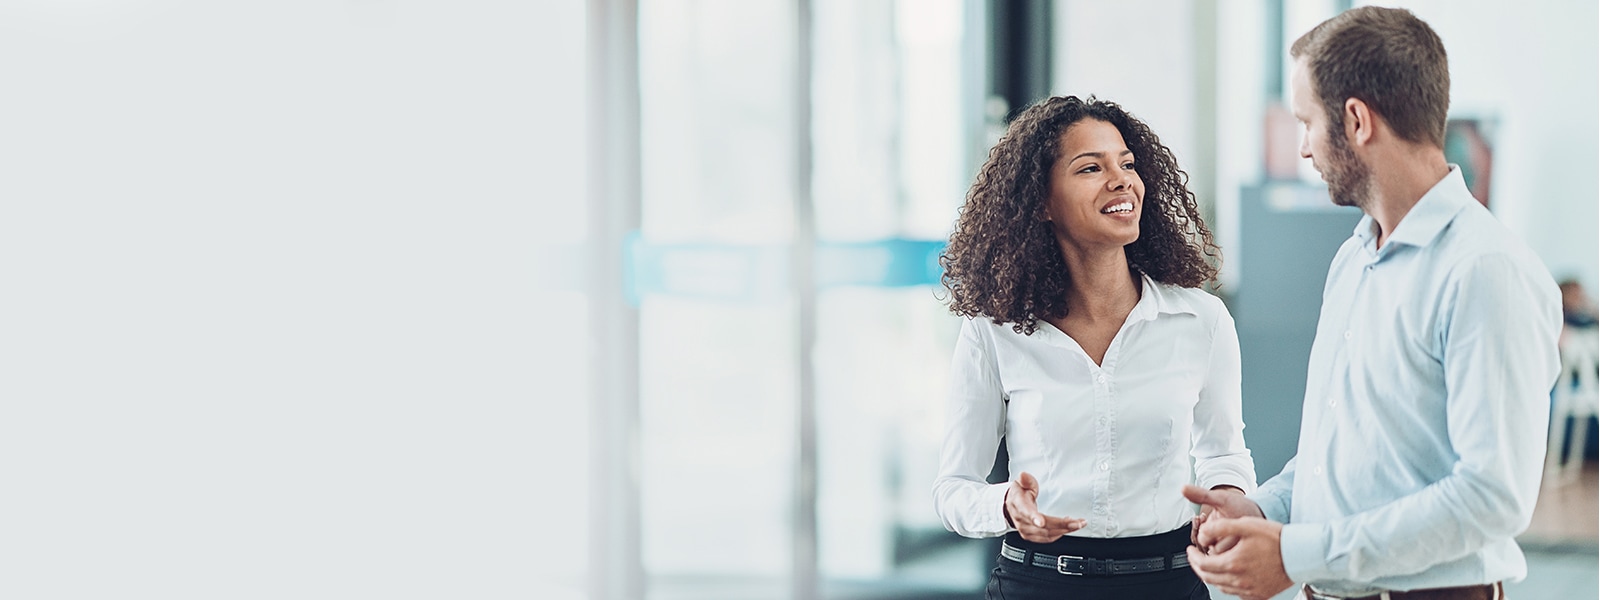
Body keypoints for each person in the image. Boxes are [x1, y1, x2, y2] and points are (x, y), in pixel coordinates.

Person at [1182, 7, 1562, 600]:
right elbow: (1348, 456)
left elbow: (1492, 497)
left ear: (1357, 120)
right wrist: (1260, 507)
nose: (1304, 149)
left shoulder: (1486, 272)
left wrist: (1293, 553)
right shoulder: (1354, 260)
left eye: (1307, 122)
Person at [932, 95, 1255, 600]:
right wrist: (1005, 507)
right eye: (1091, 167)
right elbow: (952, 489)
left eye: (1126, 163)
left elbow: (1224, 452)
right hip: (1036, 584)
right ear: (1041, 201)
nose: (1122, 178)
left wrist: (1226, 497)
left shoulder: (1200, 319)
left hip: (1168, 583)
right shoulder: (993, 332)